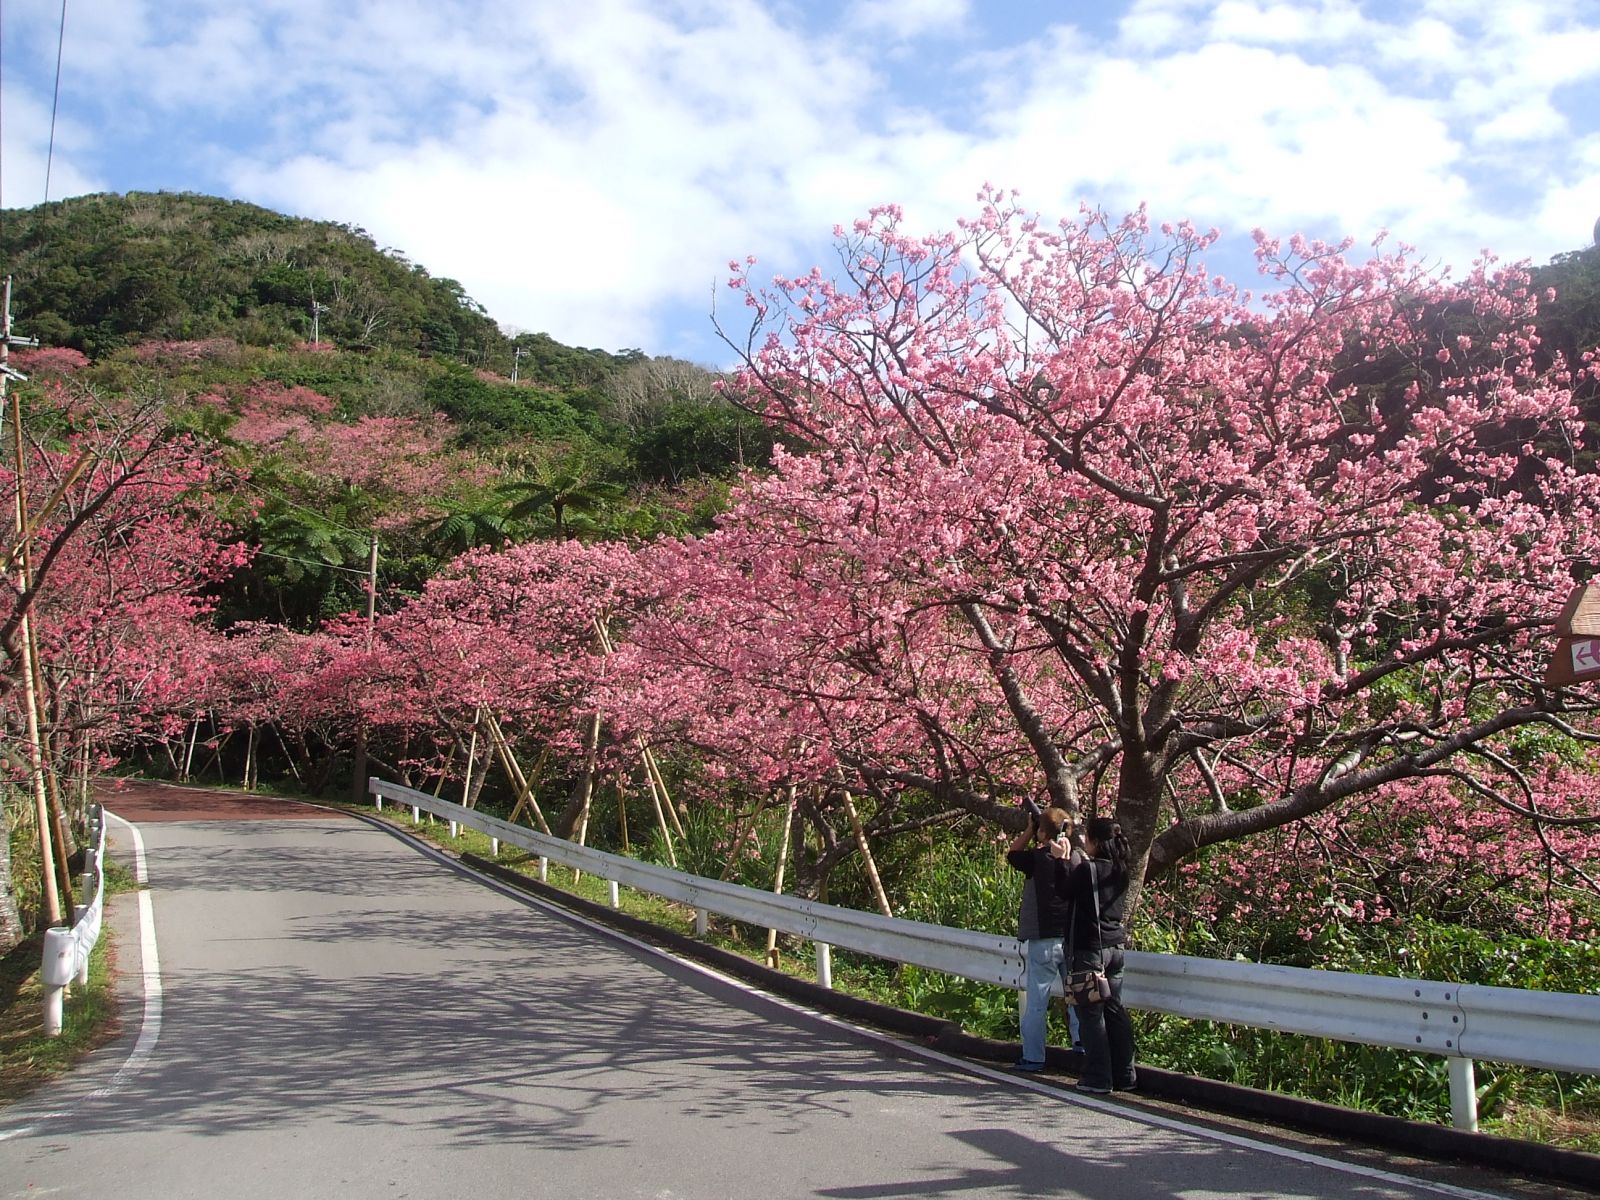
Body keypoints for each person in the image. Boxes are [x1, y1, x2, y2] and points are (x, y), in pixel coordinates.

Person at [1058, 815, 1137, 1093]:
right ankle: (1125, 1074)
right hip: (1116, 948)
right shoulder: (1121, 871)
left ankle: (1097, 1077)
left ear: (1094, 841)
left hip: (1090, 950)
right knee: (1114, 1009)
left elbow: (1062, 891)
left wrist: (1062, 861)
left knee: (1090, 1013)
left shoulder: (1086, 870)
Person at [1005, 804, 1075, 1071]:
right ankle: (1081, 1045)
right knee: (1076, 996)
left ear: (1043, 833)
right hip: (1070, 938)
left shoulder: (1037, 858)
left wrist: (1028, 830)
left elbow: (1012, 854)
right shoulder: (1076, 859)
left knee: (1037, 1001)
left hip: (1043, 939)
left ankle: (1033, 1057)